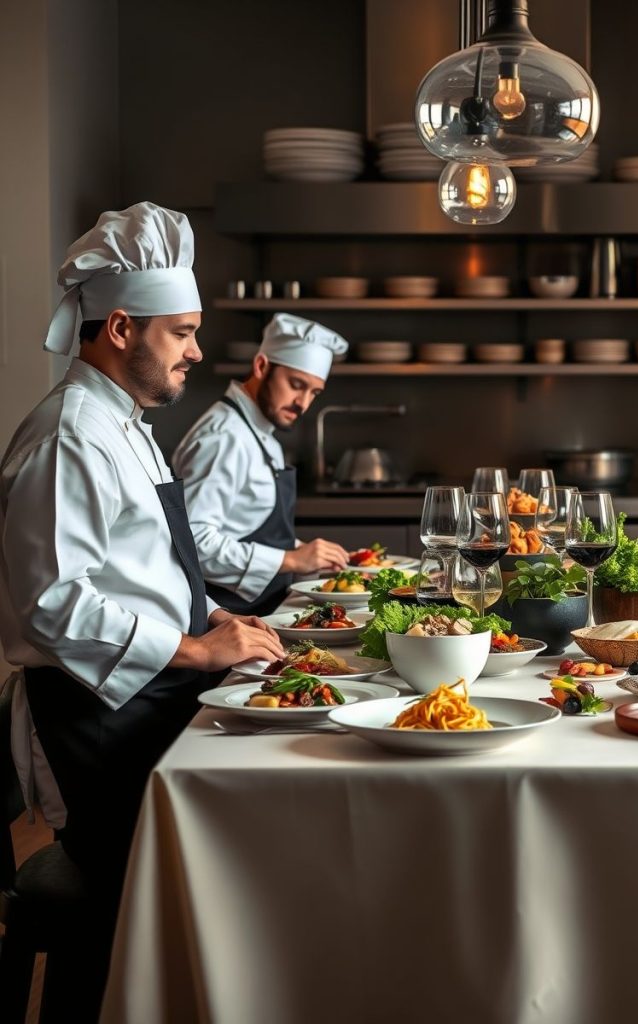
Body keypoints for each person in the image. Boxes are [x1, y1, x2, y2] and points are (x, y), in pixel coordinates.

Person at [0, 202, 285, 1018]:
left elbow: (142, 571)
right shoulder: (68, 435)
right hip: (98, 720)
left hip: (141, 699)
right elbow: (52, 601)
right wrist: (196, 653)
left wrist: (218, 636)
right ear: (121, 327)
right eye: (182, 332)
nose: (199, 352)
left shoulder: (122, 421)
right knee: (208, 872)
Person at [172, 313, 350, 616]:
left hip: (263, 609)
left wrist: (306, 553)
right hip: (226, 616)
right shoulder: (225, 437)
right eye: (296, 384)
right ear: (261, 366)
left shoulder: (260, 432)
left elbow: (245, 525)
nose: (303, 403)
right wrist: (290, 560)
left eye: (314, 393)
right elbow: (192, 542)